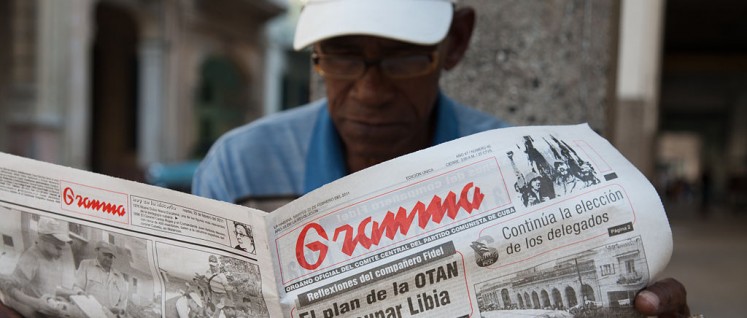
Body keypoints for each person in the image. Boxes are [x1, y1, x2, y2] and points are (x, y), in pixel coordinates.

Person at [189, 0, 691, 316]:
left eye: (403, 56)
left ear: (455, 42)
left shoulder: (523, 168)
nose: (370, 90)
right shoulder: (239, 168)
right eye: (340, 55)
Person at [3, 217, 77, 317]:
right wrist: (37, 303)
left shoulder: (52, 259)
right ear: (43, 240)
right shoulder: (32, 257)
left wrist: (72, 293)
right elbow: (8, 287)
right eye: (57, 248)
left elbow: (46, 287)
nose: (61, 254)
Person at [74, 241, 128, 316]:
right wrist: (81, 294)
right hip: (88, 314)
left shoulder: (119, 277)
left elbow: (123, 301)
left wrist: (118, 314)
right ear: (97, 251)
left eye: (111, 256)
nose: (108, 258)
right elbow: (77, 287)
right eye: (105, 255)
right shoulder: (86, 265)